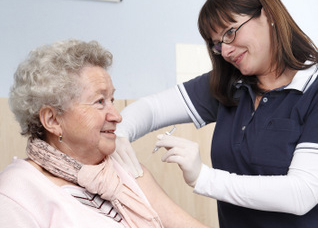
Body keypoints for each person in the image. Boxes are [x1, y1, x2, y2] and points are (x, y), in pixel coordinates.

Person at [113, 0, 318, 228]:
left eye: (230, 33)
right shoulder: (231, 85)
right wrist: (119, 135)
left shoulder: (313, 90)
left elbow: (302, 193)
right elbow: (151, 110)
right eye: (217, 44)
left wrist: (203, 177)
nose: (226, 51)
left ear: (268, 15)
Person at [0, 39, 211, 228]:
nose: (117, 116)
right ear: (52, 120)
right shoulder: (16, 194)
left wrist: (205, 178)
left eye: (111, 99)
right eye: (100, 102)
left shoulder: (123, 169)